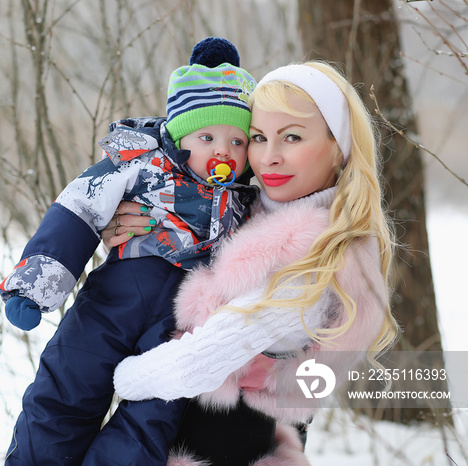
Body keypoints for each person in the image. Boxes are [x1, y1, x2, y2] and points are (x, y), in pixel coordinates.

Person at [110, 61, 400, 465]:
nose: (269, 157)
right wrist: (135, 221)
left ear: (339, 146)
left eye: (292, 137)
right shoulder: (248, 210)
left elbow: (199, 363)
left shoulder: (322, 252)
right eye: (259, 137)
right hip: (170, 432)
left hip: (222, 445)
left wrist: (116, 375)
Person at [0, 38, 260, 465]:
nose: (222, 151)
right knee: (66, 387)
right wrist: (34, 287)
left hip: (178, 327)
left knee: (150, 419)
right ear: (178, 134)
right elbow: (79, 209)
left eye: (237, 142)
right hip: (113, 299)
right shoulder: (138, 163)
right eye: (208, 136)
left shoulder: (247, 200)